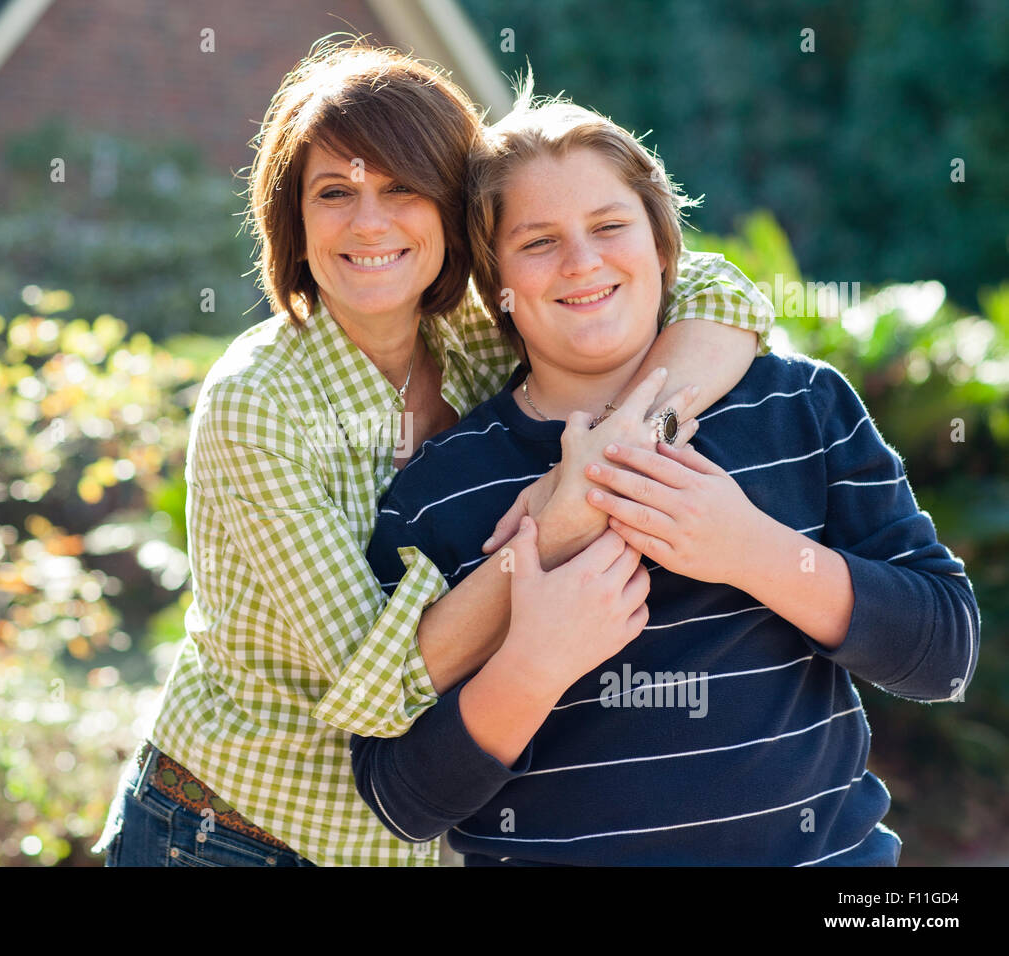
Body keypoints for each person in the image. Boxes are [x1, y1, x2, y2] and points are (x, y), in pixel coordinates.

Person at [93, 40, 775, 868]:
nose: (369, 222)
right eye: (334, 193)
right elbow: (373, 688)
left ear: (454, 207)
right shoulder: (258, 401)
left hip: (418, 840)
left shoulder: (482, 337)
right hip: (230, 836)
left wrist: (625, 446)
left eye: (402, 188)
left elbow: (714, 291)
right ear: (295, 222)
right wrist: (561, 520)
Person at [352, 86, 981, 865]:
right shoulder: (438, 490)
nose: (583, 262)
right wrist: (532, 665)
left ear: (661, 247)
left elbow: (945, 653)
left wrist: (751, 550)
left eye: (610, 226)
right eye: (538, 241)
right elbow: (398, 799)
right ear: (496, 284)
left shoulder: (799, 405)